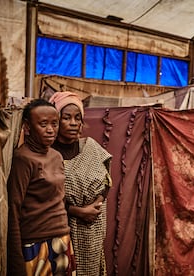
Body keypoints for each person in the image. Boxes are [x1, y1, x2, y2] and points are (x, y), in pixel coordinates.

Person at [6, 98, 76, 276]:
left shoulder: (56, 156)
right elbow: (13, 209)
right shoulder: (23, 159)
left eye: (55, 123)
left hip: (61, 238)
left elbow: (60, 199)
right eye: (43, 124)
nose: (51, 130)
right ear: (27, 127)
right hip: (35, 243)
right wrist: (15, 259)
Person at [49, 91, 112, 276]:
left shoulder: (90, 147)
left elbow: (107, 179)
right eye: (66, 118)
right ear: (56, 120)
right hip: (60, 230)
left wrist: (96, 204)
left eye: (78, 118)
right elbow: (44, 194)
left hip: (91, 229)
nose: (73, 123)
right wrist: (77, 211)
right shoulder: (48, 153)